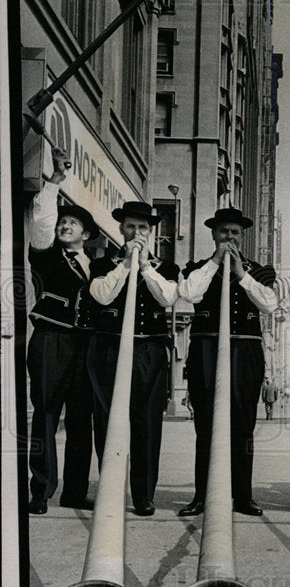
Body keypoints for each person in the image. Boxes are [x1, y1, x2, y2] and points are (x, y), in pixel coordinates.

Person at [178, 208, 278, 518]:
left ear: (243, 235)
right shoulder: (197, 267)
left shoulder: (260, 271)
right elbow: (190, 294)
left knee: (243, 425)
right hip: (206, 347)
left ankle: (242, 496)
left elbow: (270, 304)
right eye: (223, 233)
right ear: (213, 235)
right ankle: (202, 495)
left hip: (245, 351)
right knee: (206, 424)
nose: (229, 238)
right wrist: (216, 263)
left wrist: (240, 274)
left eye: (234, 233)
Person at [87, 201, 179, 517]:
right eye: (130, 227)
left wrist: (143, 267)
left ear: (150, 232)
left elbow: (167, 297)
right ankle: (111, 489)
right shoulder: (102, 264)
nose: (136, 233)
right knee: (107, 420)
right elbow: (101, 295)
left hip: (150, 351)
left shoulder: (166, 268)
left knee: (147, 424)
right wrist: (125, 265)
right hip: (109, 349)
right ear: (121, 230)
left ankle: (143, 495)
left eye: (142, 228)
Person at [26, 147, 97, 515]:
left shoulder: (95, 266)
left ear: (85, 233)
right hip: (51, 339)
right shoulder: (45, 251)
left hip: (85, 345)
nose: (63, 226)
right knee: (47, 413)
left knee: (81, 418)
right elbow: (41, 217)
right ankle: (41, 490)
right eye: (61, 222)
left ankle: (74, 490)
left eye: (71, 224)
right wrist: (56, 179)